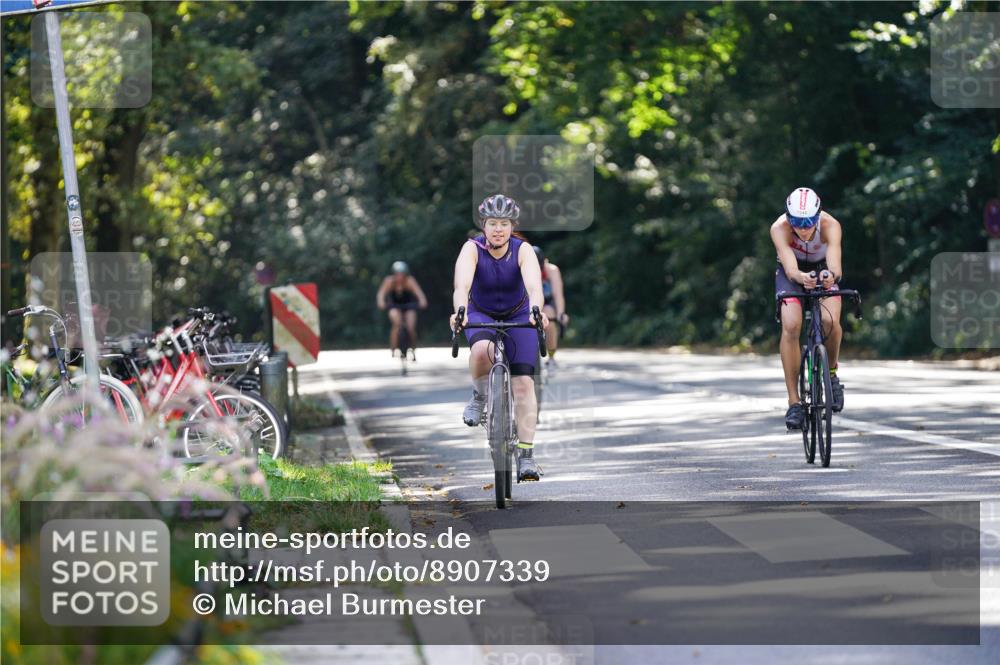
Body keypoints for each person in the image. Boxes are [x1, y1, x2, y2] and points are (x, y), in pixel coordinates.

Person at [450, 194, 549, 482]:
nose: (498, 229)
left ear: (511, 226)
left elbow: (534, 285)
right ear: (484, 225)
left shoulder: (523, 250)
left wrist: (536, 310)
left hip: (520, 314)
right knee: (482, 351)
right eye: (492, 223)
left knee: (523, 384)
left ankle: (527, 456)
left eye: (504, 223)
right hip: (480, 313)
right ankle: (480, 397)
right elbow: (461, 285)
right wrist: (460, 310)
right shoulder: (471, 249)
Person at [771, 187, 846, 431]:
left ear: (818, 215)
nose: (803, 228)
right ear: (788, 218)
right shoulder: (779, 228)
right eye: (796, 222)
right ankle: (794, 402)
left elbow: (836, 266)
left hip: (823, 267)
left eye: (808, 222)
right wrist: (801, 277)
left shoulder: (830, 225)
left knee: (830, 321)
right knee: (791, 325)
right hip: (791, 272)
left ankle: (832, 375)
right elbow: (791, 269)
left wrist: (829, 275)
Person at [376, 261, 428, 358]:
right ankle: (393, 348)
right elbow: (381, 294)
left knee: (410, 327)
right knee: (396, 323)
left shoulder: (410, 281)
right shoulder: (389, 281)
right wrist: (381, 303)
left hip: (409, 306)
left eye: (402, 274)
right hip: (394, 306)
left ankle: (413, 349)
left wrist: (422, 301)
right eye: (397, 274)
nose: (400, 277)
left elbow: (419, 293)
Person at [533, 245, 569, 366]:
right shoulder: (519, 268)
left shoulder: (551, 270)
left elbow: (558, 294)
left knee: (550, 316)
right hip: (527, 303)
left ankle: (551, 356)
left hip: (546, 302)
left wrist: (561, 313)